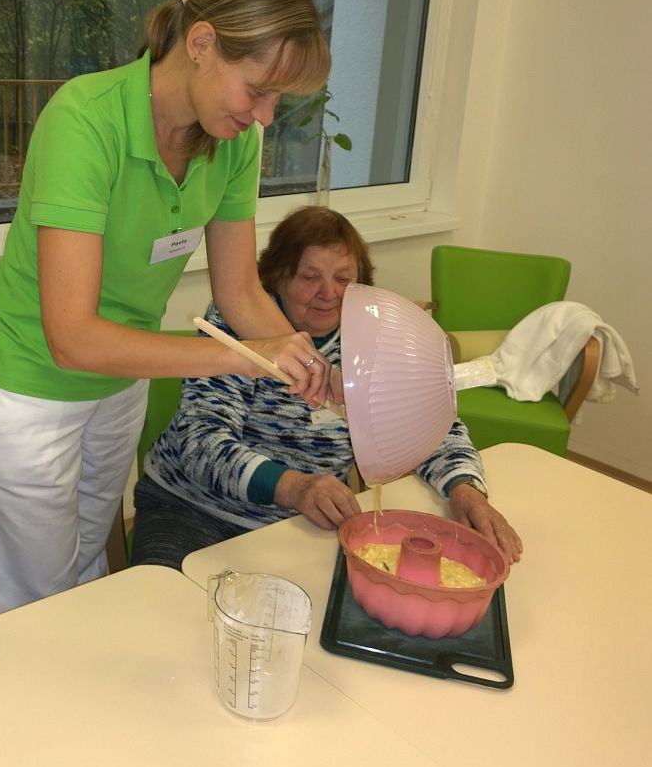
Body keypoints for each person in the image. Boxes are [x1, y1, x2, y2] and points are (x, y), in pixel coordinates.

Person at [0, 0, 336, 615]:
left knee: (88, 569)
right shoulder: (86, 120)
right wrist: (242, 356)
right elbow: (73, 338)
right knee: (35, 608)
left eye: (278, 99)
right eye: (258, 90)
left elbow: (241, 294)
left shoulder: (233, 140)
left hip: (120, 380)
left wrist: (305, 360)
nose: (265, 116)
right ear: (202, 44)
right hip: (30, 386)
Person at [131, 206, 524, 570]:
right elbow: (202, 444)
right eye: (309, 277)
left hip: (301, 525)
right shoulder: (235, 324)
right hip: (191, 509)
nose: (328, 293)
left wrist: (465, 488)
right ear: (276, 277)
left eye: (343, 278)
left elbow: (430, 425)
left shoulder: (378, 340)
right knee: (168, 610)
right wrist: (293, 487)